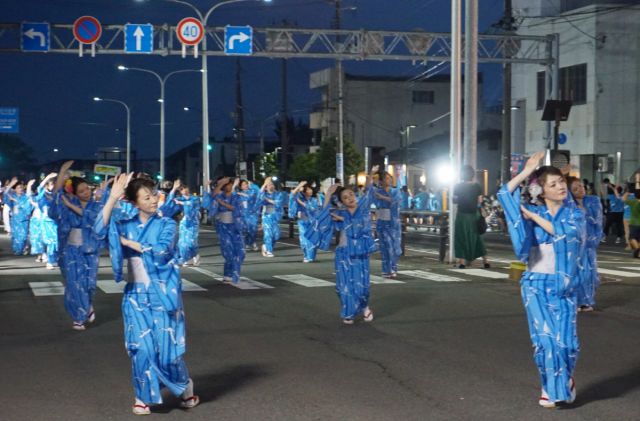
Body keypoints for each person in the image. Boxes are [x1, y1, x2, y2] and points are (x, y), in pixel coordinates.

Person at [95, 173, 199, 416]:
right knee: (140, 348)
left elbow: (163, 252)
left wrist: (129, 244)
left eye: (154, 195)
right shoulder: (124, 223)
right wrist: (111, 198)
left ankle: (185, 387)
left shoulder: (167, 223)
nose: (153, 200)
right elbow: (99, 230)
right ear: (134, 203)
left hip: (163, 295)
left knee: (166, 351)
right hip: (135, 295)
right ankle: (142, 396)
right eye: (146, 197)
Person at [498, 151, 583, 408]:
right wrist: (526, 171)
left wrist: (534, 217)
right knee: (545, 340)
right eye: (554, 184)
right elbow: (504, 195)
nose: (561, 188)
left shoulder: (573, 214)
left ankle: (565, 379)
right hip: (535, 283)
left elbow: (567, 234)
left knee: (567, 343)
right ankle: (549, 388)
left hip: (564, 285)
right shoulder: (530, 210)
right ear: (542, 190)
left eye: (562, 183)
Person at [307, 166, 378, 324]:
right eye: (345, 197)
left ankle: (364, 306)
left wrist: (370, 175)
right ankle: (348, 313)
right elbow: (322, 218)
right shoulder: (340, 212)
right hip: (343, 253)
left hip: (360, 253)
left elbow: (369, 191)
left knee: (362, 288)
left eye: (351, 194)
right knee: (343, 286)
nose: (350, 198)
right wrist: (327, 195)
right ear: (342, 201)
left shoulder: (364, 208)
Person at [52, 161, 105, 331]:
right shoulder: (66, 203)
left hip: (90, 251)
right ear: (74, 193)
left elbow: (94, 219)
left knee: (89, 284)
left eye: (87, 189)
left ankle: (87, 306)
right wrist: (62, 172)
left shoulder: (96, 206)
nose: (86, 192)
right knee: (74, 283)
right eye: (81, 191)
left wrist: (71, 207)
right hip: (71, 250)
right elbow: (56, 195)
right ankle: (78, 317)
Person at [567, 176, 603, 312]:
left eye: (581, 186)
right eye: (575, 188)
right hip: (574, 244)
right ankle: (574, 301)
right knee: (575, 272)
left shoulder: (593, 202)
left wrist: (595, 239)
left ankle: (586, 301)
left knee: (590, 273)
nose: (580, 189)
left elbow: (598, 223)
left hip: (589, 244)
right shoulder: (568, 205)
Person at [452, 165, 489, 269]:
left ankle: (463, 262)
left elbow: (454, 200)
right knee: (477, 237)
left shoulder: (458, 186)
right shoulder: (477, 186)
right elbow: (480, 201)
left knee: (461, 237)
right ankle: (485, 261)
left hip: (462, 215)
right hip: (474, 215)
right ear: (472, 175)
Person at [212, 177, 245, 283]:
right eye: (226, 185)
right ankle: (228, 273)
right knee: (228, 251)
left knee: (240, 252)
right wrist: (220, 183)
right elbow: (213, 197)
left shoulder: (236, 197)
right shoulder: (219, 195)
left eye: (229, 184)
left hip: (235, 227)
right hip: (223, 227)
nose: (228, 186)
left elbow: (236, 208)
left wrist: (222, 203)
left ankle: (234, 273)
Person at [373, 172, 403, 277]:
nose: (388, 180)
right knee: (385, 246)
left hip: (394, 223)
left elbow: (396, 201)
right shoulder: (376, 191)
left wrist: (382, 197)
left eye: (389, 178)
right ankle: (386, 270)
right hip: (382, 222)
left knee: (395, 247)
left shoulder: (395, 191)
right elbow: (371, 199)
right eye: (385, 178)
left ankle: (393, 268)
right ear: (381, 181)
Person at [289, 181, 321, 263]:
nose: (310, 191)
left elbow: (313, 209)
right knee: (304, 240)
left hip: (313, 222)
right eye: (308, 190)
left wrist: (302, 203)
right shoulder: (299, 198)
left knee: (313, 241)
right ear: (304, 192)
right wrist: (299, 186)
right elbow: (292, 195)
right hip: (303, 221)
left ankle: (311, 256)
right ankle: (306, 256)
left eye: (311, 190)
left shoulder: (314, 200)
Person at [34, 173, 59, 269]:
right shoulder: (43, 194)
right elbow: (39, 188)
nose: (53, 187)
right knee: (50, 241)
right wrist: (48, 177)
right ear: (48, 185)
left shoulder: (57, 195)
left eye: (54, 185)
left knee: (56, 241)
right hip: (46, 221)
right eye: (52, 184)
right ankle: (49, 261)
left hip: (56, 221)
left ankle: (53, 259)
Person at [5, 177, 35, 255]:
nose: (20, 189)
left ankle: (23, 247)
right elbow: (5, 194)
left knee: (23, 236)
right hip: (15, 220)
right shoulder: (12, 196)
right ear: (15, 189)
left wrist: (29, 186)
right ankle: (17, 250)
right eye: (18, 188)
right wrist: (11, 184)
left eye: (21, 187)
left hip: (24, 220)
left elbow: (28, 203)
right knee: (15, 237)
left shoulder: (25, 197)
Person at [174, 183, 201, 266]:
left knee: (192, 241)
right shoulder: (180, 198)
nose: (184, 190)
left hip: (193, 222)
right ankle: (186, 258)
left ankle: (195, 256)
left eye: (185, 188)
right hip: (184, 222)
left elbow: (191, 203)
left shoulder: (195, 198)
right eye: (181, 189)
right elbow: (171, 200)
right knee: (183, 242)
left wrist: (180, 203)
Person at [256, 177, 283, 257]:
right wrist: (264, 184)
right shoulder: (264, 194)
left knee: (277, 235)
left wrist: (268, 200)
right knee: (268, 234)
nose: (271, 186)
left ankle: (265, 246)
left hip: (275, 217)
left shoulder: (278, 194)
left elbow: (278, 203)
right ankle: (269, 251)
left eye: (272, 184)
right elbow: (259, 197)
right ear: (266, 187)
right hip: (267, 216)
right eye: (269, 184)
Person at [237, 179, 259, 251]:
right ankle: (247, 243)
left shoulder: (252, 191)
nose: (245, 185)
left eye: (246, 184)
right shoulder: (238, 194)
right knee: (245, 230)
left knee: (253, 229)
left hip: (252, 214)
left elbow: (251, 196)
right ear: (240, 186)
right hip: (243, 214)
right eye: (243, 185)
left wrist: (251, 185)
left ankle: (253, 242)